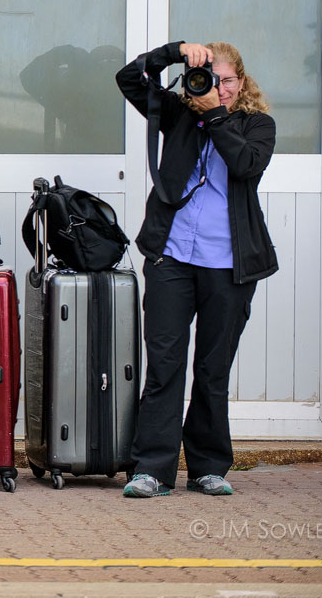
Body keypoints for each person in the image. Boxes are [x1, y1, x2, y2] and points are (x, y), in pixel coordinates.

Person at [116, 41, 277, 498]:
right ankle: (151, 469)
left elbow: (246, 165)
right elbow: (128, 78)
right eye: (211, 79)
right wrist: (173, 53)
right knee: (164, 365)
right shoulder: (178, 114)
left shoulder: (257, 125)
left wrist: (215, 115)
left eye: (228, 81)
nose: (219, 88)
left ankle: (208, 467)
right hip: (172, 257)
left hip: (230, 266)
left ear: (241, 84)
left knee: (212, 368)